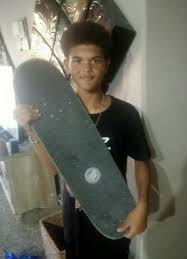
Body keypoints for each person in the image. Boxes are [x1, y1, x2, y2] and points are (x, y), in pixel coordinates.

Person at [14, 21, 151, 259]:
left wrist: (142, 206)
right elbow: (52, 169)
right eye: (77, 60)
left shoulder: (125, 114)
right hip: (73, 215)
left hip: (113, 213)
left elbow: (142, 162)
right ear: (67, 64)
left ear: (106, 64)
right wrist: (31, 129)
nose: (86, 69)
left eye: (95, 60)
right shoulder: (55, 115)